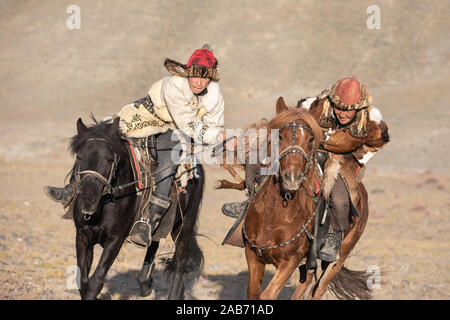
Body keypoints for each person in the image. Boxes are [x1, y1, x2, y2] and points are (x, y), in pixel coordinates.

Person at [45, 44, 231, 246]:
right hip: (146, 117)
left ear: (211, 78)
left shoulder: (215, 99)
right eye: (195, 75)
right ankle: (72, 188)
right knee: (100, 139)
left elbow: (213, 125)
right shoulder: (173, 86)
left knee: (167, 164)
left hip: (174, 131)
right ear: (187, 73)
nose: (199, 81)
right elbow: (188, 120)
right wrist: (215, 134)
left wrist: (219, 137)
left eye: (205, 77)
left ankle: (149, 222)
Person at [222, 77, 389, 262]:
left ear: (358, 108)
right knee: (266, 163)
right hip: (310, 150)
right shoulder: (316, 108)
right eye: (339, 107)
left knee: (340, 199)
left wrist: (356, 156)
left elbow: (376, 145)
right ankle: (249, 204)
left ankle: (334, 237)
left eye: (349, 110)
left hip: (341, 160)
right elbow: (295, 123)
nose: (342, 113)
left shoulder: (371, 125)